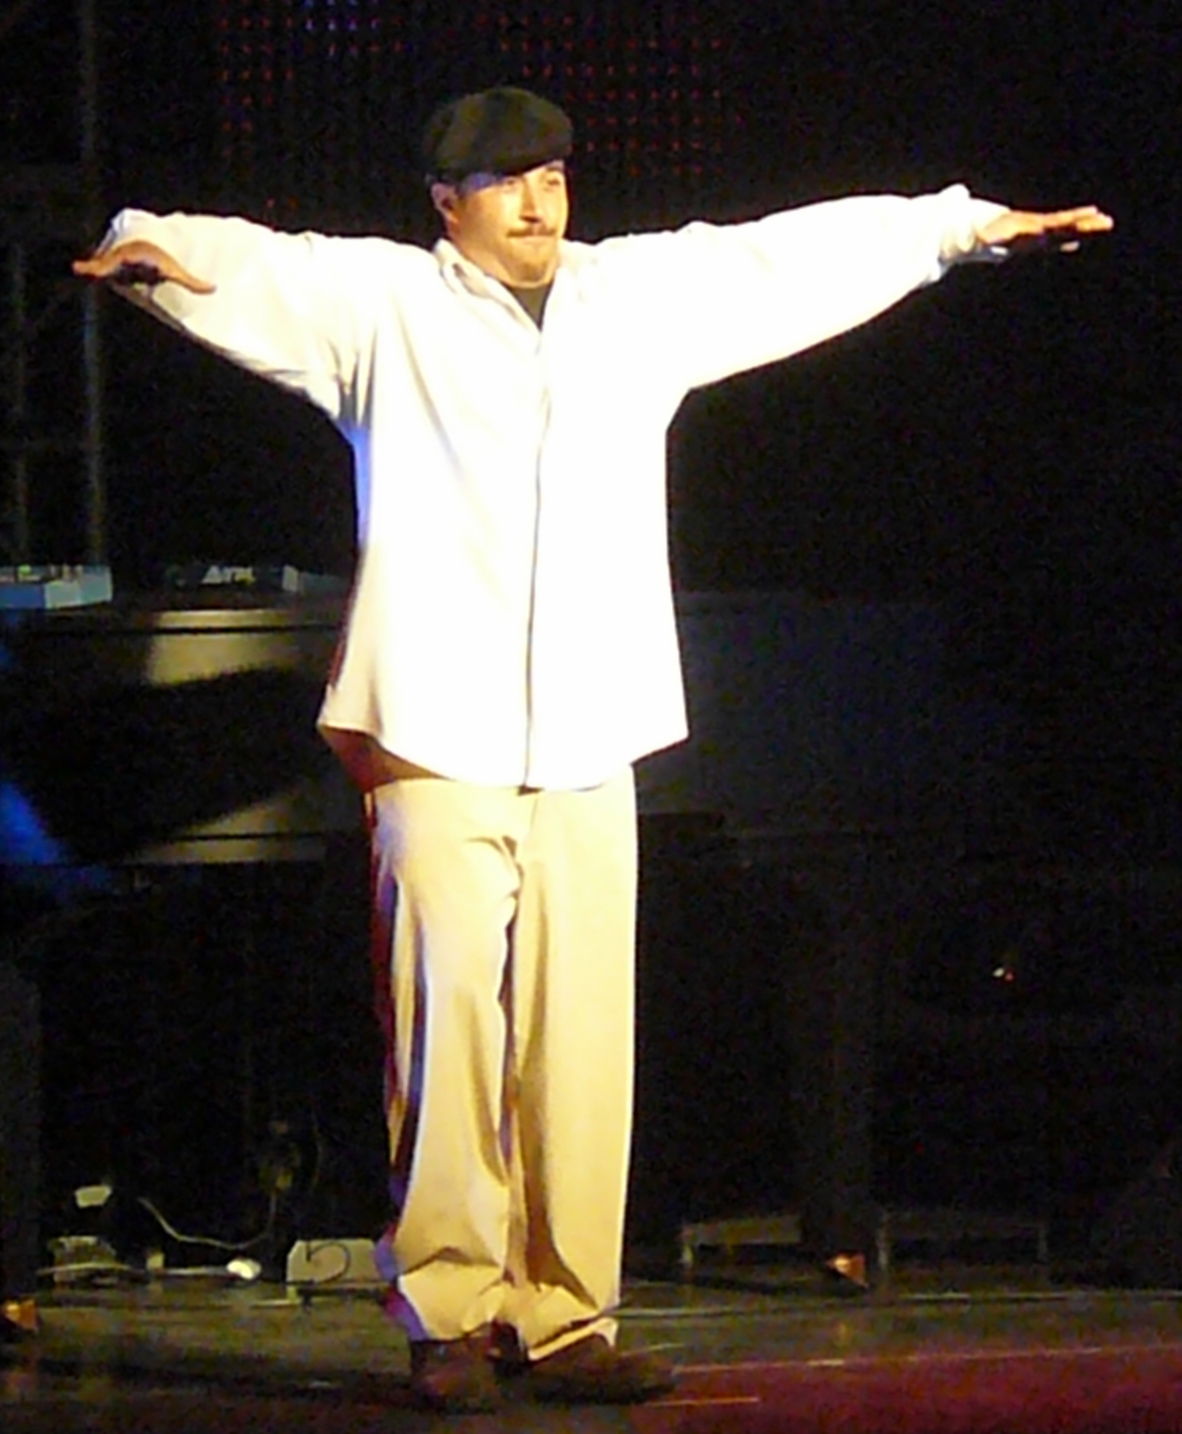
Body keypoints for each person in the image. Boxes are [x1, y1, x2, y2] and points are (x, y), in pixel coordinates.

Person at [74, 85, 1112, 1411]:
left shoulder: (633, 300)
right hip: (432, 722)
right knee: (449, 1029)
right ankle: (449, 1310)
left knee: (579, 1035)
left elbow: (787, 257)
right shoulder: (386, 307)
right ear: (447, 202)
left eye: (554, 176)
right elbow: (260, 263)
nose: (539, 201)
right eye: (508, 181)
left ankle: (563, 1313)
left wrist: (960, 229)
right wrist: (152, 240)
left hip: (587, 725)